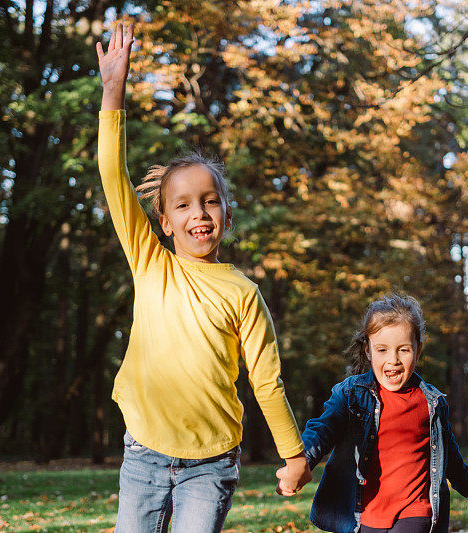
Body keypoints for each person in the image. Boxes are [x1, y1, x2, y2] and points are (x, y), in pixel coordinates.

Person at [95, 23, 311, 532]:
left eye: (210, 201)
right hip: (144, 452)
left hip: (211, 463)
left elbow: (266, 381)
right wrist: (112, 91)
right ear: (165, 221)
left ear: (226, 215)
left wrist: (293, 453)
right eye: (184, 204)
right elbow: (111, 174)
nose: (200, 213)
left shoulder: (243, 293)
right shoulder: (151, 261)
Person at [281, 293, 468, 533]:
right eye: (382, 349)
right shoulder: (351, 393)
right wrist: (301, 462)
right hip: (364, 512)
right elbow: (322, 430)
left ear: (418, 349)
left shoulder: (432, 402)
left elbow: (449, 452)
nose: (393, 360)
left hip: (415, 510)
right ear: (368, 349)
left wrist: (467, 486)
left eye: (403, 350)